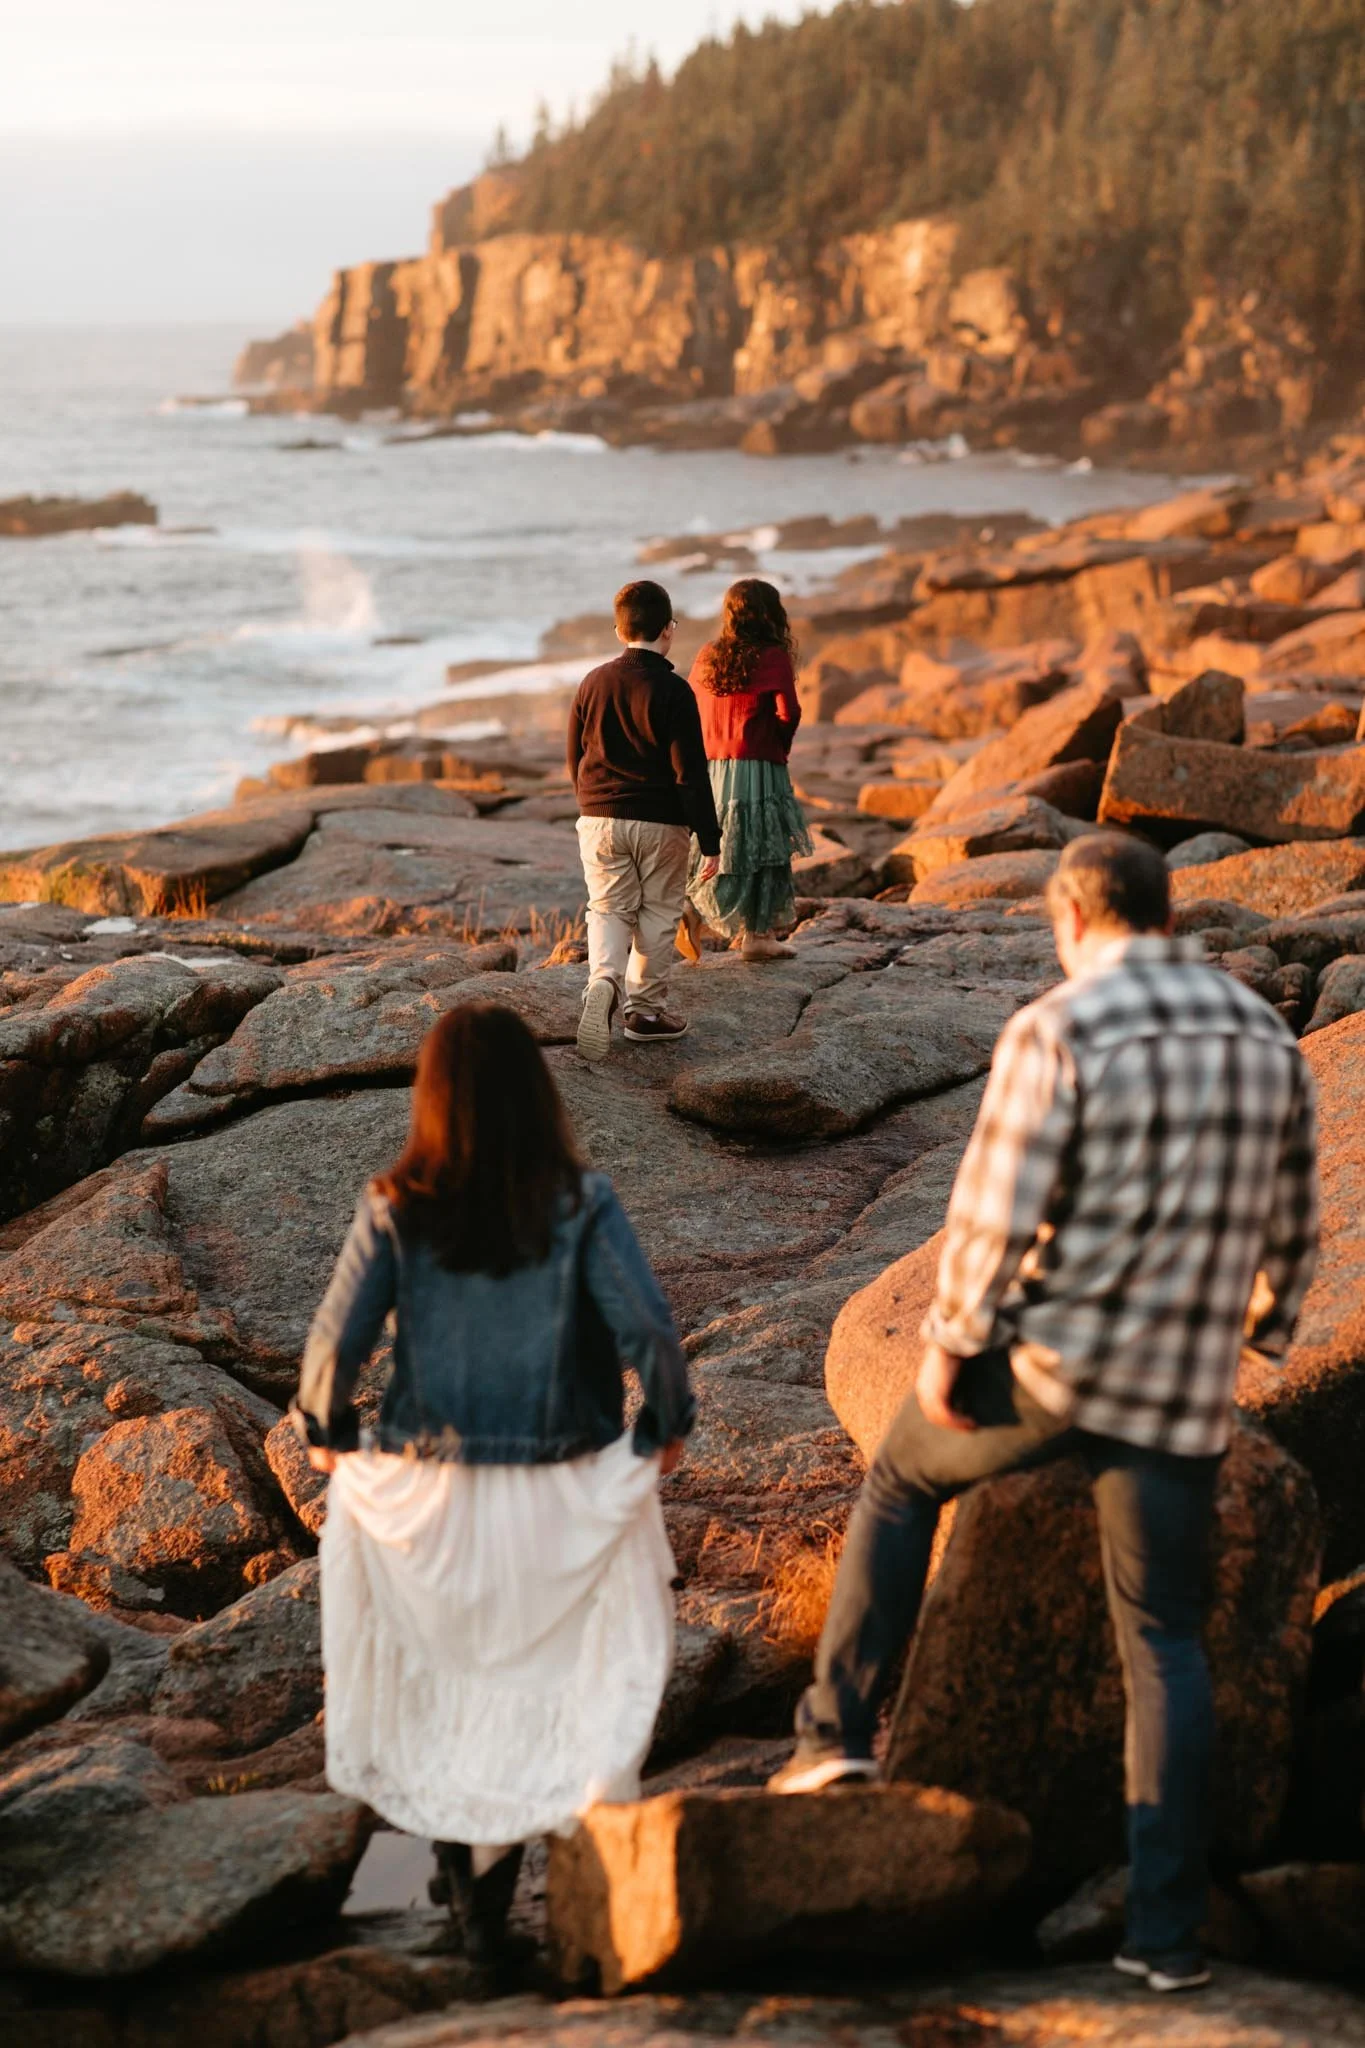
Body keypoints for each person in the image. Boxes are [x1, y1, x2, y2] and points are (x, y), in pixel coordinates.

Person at [770, 832, 1319, 1996]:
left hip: (1057, 1370)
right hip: (1181, 1381)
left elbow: (992, 1214)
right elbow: (1288, 1223)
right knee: (1162, 1639)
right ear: (1163, 918)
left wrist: (950, 1352)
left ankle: (833, 1743)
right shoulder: (1263, 1035)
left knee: (900, 1482)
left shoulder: (1057, 1028)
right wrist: (1257, 1337)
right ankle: (1165, 1939)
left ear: (1073, 919)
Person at [292, 1003, 695, 1967]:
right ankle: (491, 1889)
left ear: (430, 1099)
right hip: (562, 1482)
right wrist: (663, 1428)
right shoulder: (581, 1201)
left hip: (430, 1488)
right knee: (538, 1681)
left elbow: (335, 1339)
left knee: (447, 1672)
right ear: (537, 1094)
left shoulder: (395, 1204)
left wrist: (326, 1432)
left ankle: (465, 1893)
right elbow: (648, 1328)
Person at [567, 579, 722, 1060]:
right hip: (660, 821)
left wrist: (590, 802)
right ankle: (644, 1011)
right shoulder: (674, 691)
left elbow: (574, 753)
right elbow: (689, 772)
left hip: (597, 815)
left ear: (619, 630)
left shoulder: (593, 681)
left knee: (608, 908)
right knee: (658, 911)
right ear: (669, 631)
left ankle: (603, 981)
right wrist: (711, 839)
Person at [683, 578, 813, 963]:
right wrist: (778, 746)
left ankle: (690, 905)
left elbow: (690, 703)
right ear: (772, 615)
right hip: (756, 760)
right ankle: (757, 935)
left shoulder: (708, 654)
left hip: (711, 765)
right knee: (761, 845)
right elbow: (789, 712)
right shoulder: (772, 657)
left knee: (714, 843)